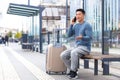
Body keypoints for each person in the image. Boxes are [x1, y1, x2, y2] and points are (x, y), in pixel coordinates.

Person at [60, 9, 92, 79]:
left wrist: (82, 37)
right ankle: (74, 70)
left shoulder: (87, 25)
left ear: (83, 15)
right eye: (76, 14)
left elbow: (89, 37)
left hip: (85, 47)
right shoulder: (75, 25)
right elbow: (68, 35)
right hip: (77, 47)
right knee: (63, 55)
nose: (77, 16)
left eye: (79, 14)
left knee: (74, 52)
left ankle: (73, 72)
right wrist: (71, 24)